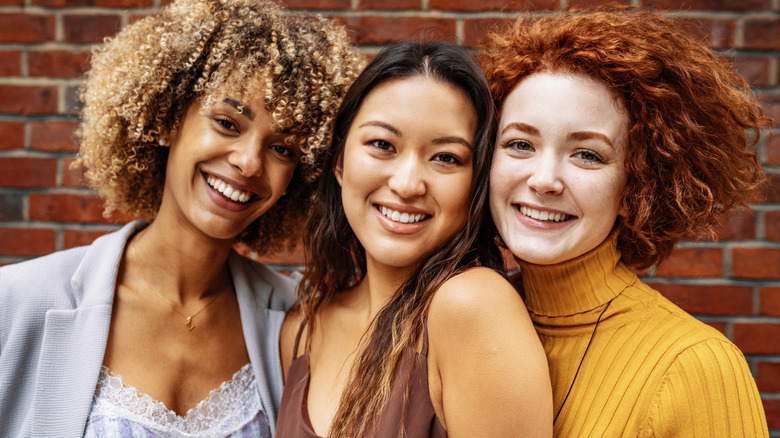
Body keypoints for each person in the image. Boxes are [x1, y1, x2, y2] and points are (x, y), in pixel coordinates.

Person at [0, 0, 362, 436]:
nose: (249, 162)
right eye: (228, 123)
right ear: (169, 118)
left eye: (282, 148)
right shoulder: (19, 302)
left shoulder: (296, 321)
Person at [484, 9, 771, 437]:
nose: (543, 180)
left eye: (588, 154)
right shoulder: (465, 323)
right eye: (520, 144)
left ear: (638, 183)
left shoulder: (695, 366)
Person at [275, 41, 552, 438]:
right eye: (382, 145)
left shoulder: (473, 308)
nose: (406, 185)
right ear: (338, 161)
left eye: (446, 157)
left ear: (477, 182)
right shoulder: (302, 330)